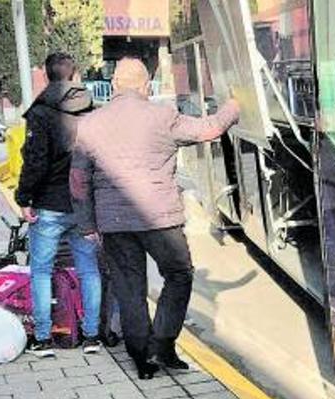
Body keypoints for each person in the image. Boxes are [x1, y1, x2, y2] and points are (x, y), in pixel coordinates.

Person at [70, 58, 239, 380]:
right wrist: (234, 105)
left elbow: (78, 180)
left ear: (115, 85)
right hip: (160, 219)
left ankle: (142, 360)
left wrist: (87, 225)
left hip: (114, 222)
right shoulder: (163, 116)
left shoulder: (89, 124)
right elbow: (211, 129)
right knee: (179, 274)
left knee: (129, 288)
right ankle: (164, 344)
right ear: (145, 86)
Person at [15, 52, 101, 358]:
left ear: (46, 76)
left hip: (50, 203)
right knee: (89, 269)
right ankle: (91, 336)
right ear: (74, 74)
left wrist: (24, 197)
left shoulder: (40, 113)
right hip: (84, 205)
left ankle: (43, 338)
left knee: (40, 270)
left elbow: (35, 161)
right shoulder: (91, 110)